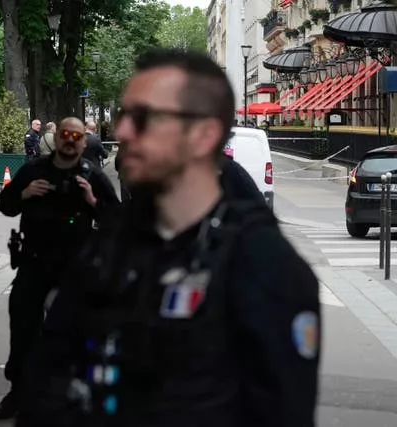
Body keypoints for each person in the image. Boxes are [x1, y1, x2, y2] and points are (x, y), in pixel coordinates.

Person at [18, 48, 320, 427]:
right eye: (122, 116)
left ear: (203, 134)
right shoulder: (109, 246)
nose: (123, 132)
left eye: (143, 118)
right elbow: (47, 380)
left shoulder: (266, 268)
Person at [0, 117, 120, 420]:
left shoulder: (91, 175)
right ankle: (19, 392)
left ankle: (73, 394)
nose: (71, 140)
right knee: (23, 330)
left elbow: (116, 220)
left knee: (75, 333)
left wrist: (91, 200)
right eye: (65, 134)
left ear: (83, 141)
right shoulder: (34, 170)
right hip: (34, 263)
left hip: (75, 269)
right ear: (57, 137)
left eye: (77, 136)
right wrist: (23, 194)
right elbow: (6, 205)